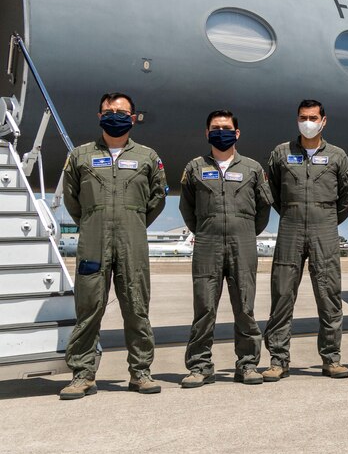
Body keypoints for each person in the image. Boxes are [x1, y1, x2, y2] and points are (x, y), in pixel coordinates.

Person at [59, 92, 168, 399]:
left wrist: (133, 221)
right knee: (89, 308)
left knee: (136, 307)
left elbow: (157, 198)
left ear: (132, 118)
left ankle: (140, 372)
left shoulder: (148, 157)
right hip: (93, 242)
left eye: (121, 111)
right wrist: (93, 220)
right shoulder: (80, 156)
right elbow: (72, 199)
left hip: (132, 242)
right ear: (99, 116)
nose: (115, 115)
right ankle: (83, 374)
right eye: (109, 110)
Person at [263, 100, 348, 381]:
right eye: (303, 117)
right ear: (297, 120)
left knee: (329, 295)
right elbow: (274, 192)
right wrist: (293, 212)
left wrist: (326, 218)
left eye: (313, 117)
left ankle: (331, 359)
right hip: (290, 226)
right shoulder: (281, 153)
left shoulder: (338, 156)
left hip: (325, 228)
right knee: (282, 295)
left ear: (323, 121)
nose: (308, 122)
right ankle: (278, 360)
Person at [179, 110, 273, 387]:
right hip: (207, 244)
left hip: (243, 243)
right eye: (216, 128)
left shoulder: (252, 168)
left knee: (245, 307)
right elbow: (186, 207)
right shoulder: (194, 167)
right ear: (207, 133)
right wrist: (206, 229)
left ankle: (248, 365)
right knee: (204, 307)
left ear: (237, 133)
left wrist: (245, 231)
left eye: (227, 127)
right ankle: (200, 366)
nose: (222, 132)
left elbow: (263, 208)